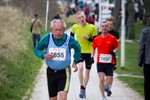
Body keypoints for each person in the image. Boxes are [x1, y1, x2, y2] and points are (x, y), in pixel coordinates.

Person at [34, 19, 81, 100]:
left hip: (64, 72)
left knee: (63, 96)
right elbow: (36, 49)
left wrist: (75, 60)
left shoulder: (69, 39)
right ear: (51, 30)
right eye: (56, 30)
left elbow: (78, 48)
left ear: (64, 30)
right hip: (51, 72)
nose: (58, 32)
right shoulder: (47, 38)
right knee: (53, 98)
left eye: (61, 30)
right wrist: (43, 55)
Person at [70, 11, 97, 98]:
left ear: (85, 17)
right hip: (80, 51)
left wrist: (88, 38)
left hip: (89, 52)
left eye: (82, 17)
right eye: (79, 18)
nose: (81, 19)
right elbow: (71, 37)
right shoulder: (75, 27)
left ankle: (84, 88)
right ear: (77, 20)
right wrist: (74, 45)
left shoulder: (92, 27)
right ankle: (81, 86)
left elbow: (95, 41)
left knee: (87, 72)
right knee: (80, 68)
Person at [90, 21, 119, 100]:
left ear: (108, 28)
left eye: (106, 26)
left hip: (109, 62)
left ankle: (106, 86)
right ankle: (103, 96)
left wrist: (114, 51)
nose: (104, 28)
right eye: (102, 26)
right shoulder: (97, 39)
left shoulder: (112, 38)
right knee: (101, 79)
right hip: (100, 62)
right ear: (100, 28)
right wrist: (92, 57)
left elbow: (116, 46)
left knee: (109, 81)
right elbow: (93, 48)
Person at [138, 17, 150, 100]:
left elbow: (141, 46)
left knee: (148, 82)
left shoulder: (146, 31)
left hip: (147, 61)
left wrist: (140, 60)